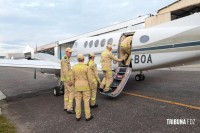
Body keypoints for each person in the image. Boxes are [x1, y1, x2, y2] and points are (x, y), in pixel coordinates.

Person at [71, 53, 94, 121]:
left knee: (77, 101)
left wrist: (73, 85)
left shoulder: (74, 67)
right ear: (83, 59)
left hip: (77, 86)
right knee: (86, 101)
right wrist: (91, 86)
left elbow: (72, 79)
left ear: (77, 59)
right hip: (85, 87)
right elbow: (90, 79)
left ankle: (77, 116)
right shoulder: (86, 67)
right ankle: (87, 116)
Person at [60, 47, 75, 114]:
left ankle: (66, 106)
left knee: (66, 93)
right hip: (67, 80)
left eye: (71, 52)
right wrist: (69, 80)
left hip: (65, 79)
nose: (70, 53)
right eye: (69, 52)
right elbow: (65, 71)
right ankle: (70, 108)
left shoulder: (67, 59)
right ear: (66, 52)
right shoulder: (65, 59)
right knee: (72, 92)